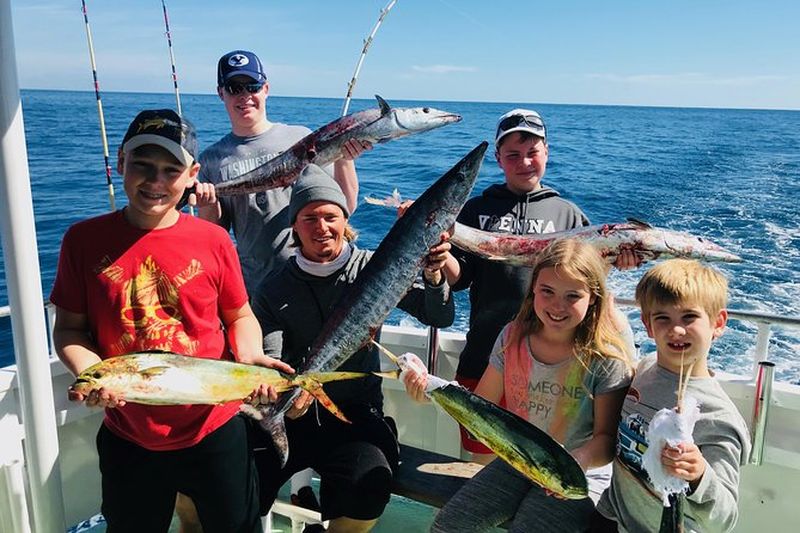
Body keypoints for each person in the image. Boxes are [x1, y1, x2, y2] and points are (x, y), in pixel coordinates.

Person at [50, 109, 292, 533]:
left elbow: (240, 315)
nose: (156, 182)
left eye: (171, 169)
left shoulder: (214, 239)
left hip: (214, 428)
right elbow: (70, 328)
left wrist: (251, 357)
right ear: (120, 162)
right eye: (142, 165)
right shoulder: (82, 240)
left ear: (192, 174)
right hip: (129, 435)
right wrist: (94, 375)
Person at [250, 164, 456, 533]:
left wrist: (434, 275)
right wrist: (287, 399)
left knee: (369, 485)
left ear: (345, 220)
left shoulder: (376, 267)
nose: (321, 226)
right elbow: (273, 358)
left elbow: (437, 316)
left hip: (356, 414)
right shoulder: (274, 288)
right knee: (236, 477)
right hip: (294, 413)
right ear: (293, 227)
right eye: (309, 217)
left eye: (330, 216)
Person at [443, 109, 637, 460]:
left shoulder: (568, 214)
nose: (524, 162)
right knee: (480, 465)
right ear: (499, 159)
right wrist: (441, 256)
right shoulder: (474, 210)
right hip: (484, 355)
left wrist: (615, 263)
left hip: (552, 371)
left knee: (540, 465)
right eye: (513, 155)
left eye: (532, 152)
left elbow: (587, 282)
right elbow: (461, 279)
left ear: (547, 152)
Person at [416, 239, 634, 531]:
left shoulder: (604, 357)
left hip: (575, 478)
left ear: (593, 298)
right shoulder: (512, 337)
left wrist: (574, 461)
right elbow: (481, 406)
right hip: (518, 464)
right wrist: (429, 389)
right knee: (447, 527)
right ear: (533, 289)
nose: (558, 306)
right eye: (547, 291)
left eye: (572, 296)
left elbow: (606, 442)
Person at [193, 49, 371, 296]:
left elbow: (346, 206)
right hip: (256, 288)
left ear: (265, 89)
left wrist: (344, 158)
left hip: (316, 277)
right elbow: (216, 232)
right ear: (220, 93)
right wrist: (205, 204)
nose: (245, 96)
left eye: (252, 86)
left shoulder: (300, 138)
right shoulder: (212, 159)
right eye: (234, 88)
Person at [595, 259, 751, 532]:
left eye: (689, 317)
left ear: (718, 322)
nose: (676, 329)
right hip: (612, 517)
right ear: (648, 324)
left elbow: (725, 520)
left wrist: (699, 474)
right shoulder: (642, 369)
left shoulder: (719, 419)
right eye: (662, 318)